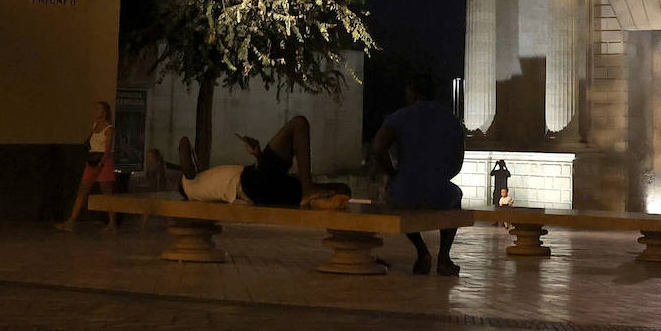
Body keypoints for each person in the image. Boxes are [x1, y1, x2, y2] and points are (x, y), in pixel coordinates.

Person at [371, 74, 465, 276]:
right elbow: (457, 163)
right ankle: (444, 258)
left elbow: (378, 148)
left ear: (413, 92)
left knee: (394, 198)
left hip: (406, 190)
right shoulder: (452, 120)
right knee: (456, 198)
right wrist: (439, 176)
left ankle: (422, 251)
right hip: (440, 192)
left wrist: (393, 174)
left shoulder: (400, 117)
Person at [175, 116, 351, 208]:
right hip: (252, 182)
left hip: (262, 186)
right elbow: (184, 145)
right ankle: (307, 190)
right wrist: (189, 150)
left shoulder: (201, 185)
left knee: (343, 190)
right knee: (299, 124)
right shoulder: (189, 182)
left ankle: (310, 196)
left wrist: (257, 154)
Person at [56, 101, 118, 232]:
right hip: (92, 160)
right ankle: (71, 221)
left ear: (105, 112)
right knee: (82, 191)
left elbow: (107, 149)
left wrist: (100, 164)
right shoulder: (95, 125)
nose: (96, 111)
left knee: (107, 193)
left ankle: (112, 223)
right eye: (96, 108)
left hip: (103, 162)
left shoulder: (109, 129)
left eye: (99, 109)